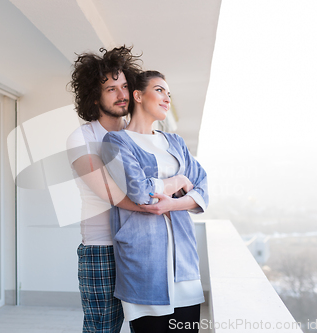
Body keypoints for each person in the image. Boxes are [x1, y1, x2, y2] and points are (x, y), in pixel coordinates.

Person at [66, 47, 191, 332]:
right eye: (111, 89)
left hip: (144, 247)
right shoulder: (82, 138)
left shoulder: (139, 136)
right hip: (102, 249)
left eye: (124, 86)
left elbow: (183, 181)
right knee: (102, 328)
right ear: (94, 96)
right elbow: (116, 196)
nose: (121, 94)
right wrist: (165, 201)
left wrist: (168, 198)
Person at [101, 70, 209, 333]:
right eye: (160, 90)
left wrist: (171, 204)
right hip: (144, 262)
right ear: (137, 95)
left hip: (184, 262)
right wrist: (179, 181)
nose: (167, 98)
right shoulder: (116, 142)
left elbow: (203, 188)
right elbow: (139, 192)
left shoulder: (175, 142)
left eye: (168, 94)